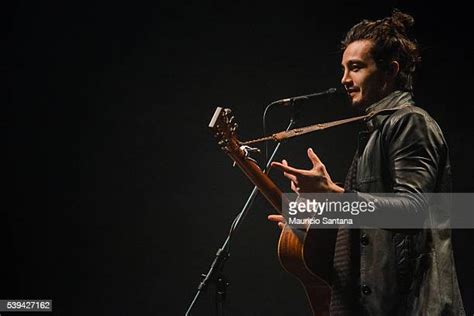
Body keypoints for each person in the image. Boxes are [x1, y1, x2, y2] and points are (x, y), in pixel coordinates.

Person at [268, 9, 465, 315]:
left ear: (390, 71)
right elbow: (372, 228)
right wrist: (323, 215)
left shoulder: (411, 123)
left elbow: (412, 210)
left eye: (356, 68)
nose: (344, 79)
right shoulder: (377, 131)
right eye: (344, 68)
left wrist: (335, 202)